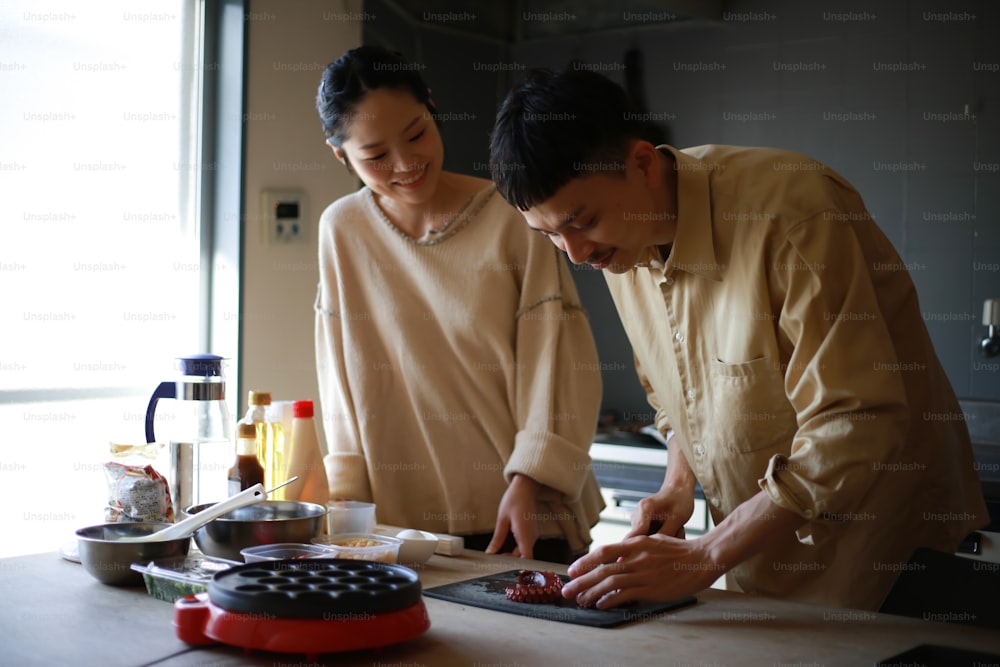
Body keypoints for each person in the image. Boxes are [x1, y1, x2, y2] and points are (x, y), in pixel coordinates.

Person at [488, 67, 988, 608]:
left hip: (888, 554)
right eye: (549, 236)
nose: (576, 254)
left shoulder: (793, 214)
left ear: (641, 164)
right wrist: (679, 483)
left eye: (581, 222)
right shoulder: (620, 248)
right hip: (764, 555)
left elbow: (855, 423)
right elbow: (673, 393)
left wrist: (707, 555)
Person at [312, 47, 605, 563]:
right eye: (376, 156)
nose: (405, 165)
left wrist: (531, 477)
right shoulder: (342, 229)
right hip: (403, 531)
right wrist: (347, 496)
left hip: (520, 515)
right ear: (341, 156)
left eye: (417, 133)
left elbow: (557, 358)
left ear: (431, 105)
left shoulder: (511, 217)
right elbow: (339, 371)